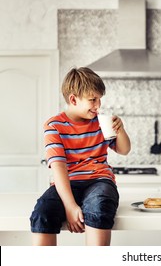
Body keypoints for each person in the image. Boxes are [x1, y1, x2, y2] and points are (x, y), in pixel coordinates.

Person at [30, 67, 131, 246]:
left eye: (100, 99)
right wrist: (70, 206)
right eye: (93, 100)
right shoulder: (54, 126)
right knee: (42, 213)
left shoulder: (101, 123)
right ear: (73, 99)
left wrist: (120, 129)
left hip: (100, 180)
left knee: (99, 205)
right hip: (68, 182)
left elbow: (124, 150)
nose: (98, 105)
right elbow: (59, 167)